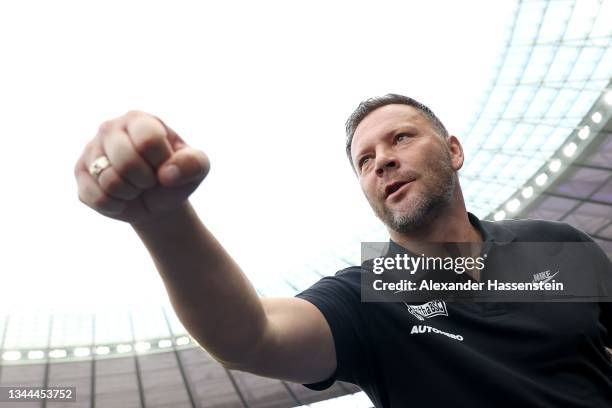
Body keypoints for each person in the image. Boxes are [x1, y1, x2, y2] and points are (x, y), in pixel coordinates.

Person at [74, 94, 612, 407]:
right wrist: (163, 219)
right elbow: (251, 334)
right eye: (364, 159)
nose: (381, 161)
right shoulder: (368, 294)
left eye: (400, 138)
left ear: (453, 150)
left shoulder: (557, 246)